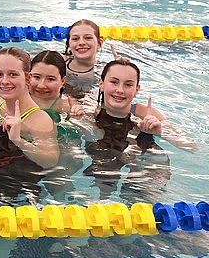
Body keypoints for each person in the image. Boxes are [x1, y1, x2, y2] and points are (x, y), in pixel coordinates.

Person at [74, 58, 195, 200]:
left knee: (144, 202)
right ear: (101, 84)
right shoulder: (87, 110)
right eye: (114, 82)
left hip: (143, 163)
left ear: (137, 89)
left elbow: (190, 146)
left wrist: (160, 131)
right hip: (104, 160)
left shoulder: (144, 114)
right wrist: (75, 118)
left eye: (128, 85)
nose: (120, 90)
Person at [62, 19, 107, 100]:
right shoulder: (58, 63)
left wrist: (120, 69)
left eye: (88, 38)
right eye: (75, 39)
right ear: (68, 44)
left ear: (99, 43)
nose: (81, 43)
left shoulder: (104, 72)